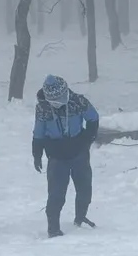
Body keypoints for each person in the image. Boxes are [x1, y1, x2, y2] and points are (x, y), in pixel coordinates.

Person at [32, 75, 99, 238]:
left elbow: (93, 118)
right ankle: (53, 227)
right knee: (56, 193)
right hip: (56, 155)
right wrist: (37, 153)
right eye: (55, 100)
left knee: (84, 188)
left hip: (79, 152)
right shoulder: (43, 108)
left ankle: (80, 216)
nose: (59, 102)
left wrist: (87, 139)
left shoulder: (78, 101)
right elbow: (39, 131)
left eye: (62, 98)